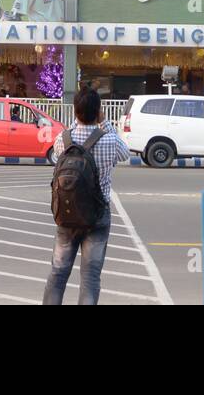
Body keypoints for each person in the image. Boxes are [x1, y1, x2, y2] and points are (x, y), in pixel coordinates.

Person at [42, 88, 130, 305]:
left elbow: (69, 134)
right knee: (90, 279)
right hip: (97, 216)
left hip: (67, 213)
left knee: (58, 274)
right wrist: (104, 122)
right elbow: (126, 154)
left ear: (75, 110)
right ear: (99, 111)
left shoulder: (62, 140)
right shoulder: (109, 140)